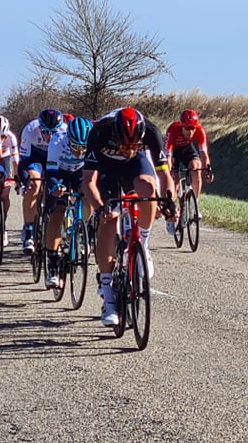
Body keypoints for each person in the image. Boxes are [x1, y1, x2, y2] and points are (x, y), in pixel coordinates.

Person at [82, 107, 175, 326]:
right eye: (125, 146)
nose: (129, 150)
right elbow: (88, 181)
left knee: (148, 189)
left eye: (134, 145)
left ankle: (143, 244)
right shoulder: (99, 132)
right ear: (115, 135)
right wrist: (100, 208)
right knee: (110, 219)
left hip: (135, 166)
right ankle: (108, 297)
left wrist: (169, 202)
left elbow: (164, 175)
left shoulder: (151, 132)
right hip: (106, 168)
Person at [42, 116, 92, 289]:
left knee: (89, 196)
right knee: (58, 210)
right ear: (68, 140)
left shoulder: (93, 143)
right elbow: (51, 172)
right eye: (76, 147)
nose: (80, 152)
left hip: (80, 172)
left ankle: (82, 229)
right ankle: (52, 263)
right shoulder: (57, 141)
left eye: (84, 147)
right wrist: (55, 186)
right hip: (60, 173)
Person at [17, 108, 67, 254]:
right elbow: (23, 162)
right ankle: (29, 230)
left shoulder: (65, 132)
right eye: (45, 132)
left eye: (54, 132)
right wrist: (25, 182)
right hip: (36, 158)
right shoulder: (30, 130)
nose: (49, 136)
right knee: (34, 185)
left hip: (56, 158)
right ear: (39, 128)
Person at [163, 108, 214, 233]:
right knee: (173, 180)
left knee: (196, 167)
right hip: (173, 151)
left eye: (193, 129)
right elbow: (168, 156)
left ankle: (194, 206)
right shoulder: (173, 130)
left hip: (187, 149)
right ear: (181, 126)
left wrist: (208, 169)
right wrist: (169, 171)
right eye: (187, 129)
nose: (190, 132)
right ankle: (171, 212)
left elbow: (203, 153)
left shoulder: (200, 131)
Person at [0, 115, 19, 247]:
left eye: (3, 136)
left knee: (4, 194)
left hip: (6, 158)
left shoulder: (11, 138)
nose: (1, 139)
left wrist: (17, 178)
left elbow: (15, 161)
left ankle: (3, 224)